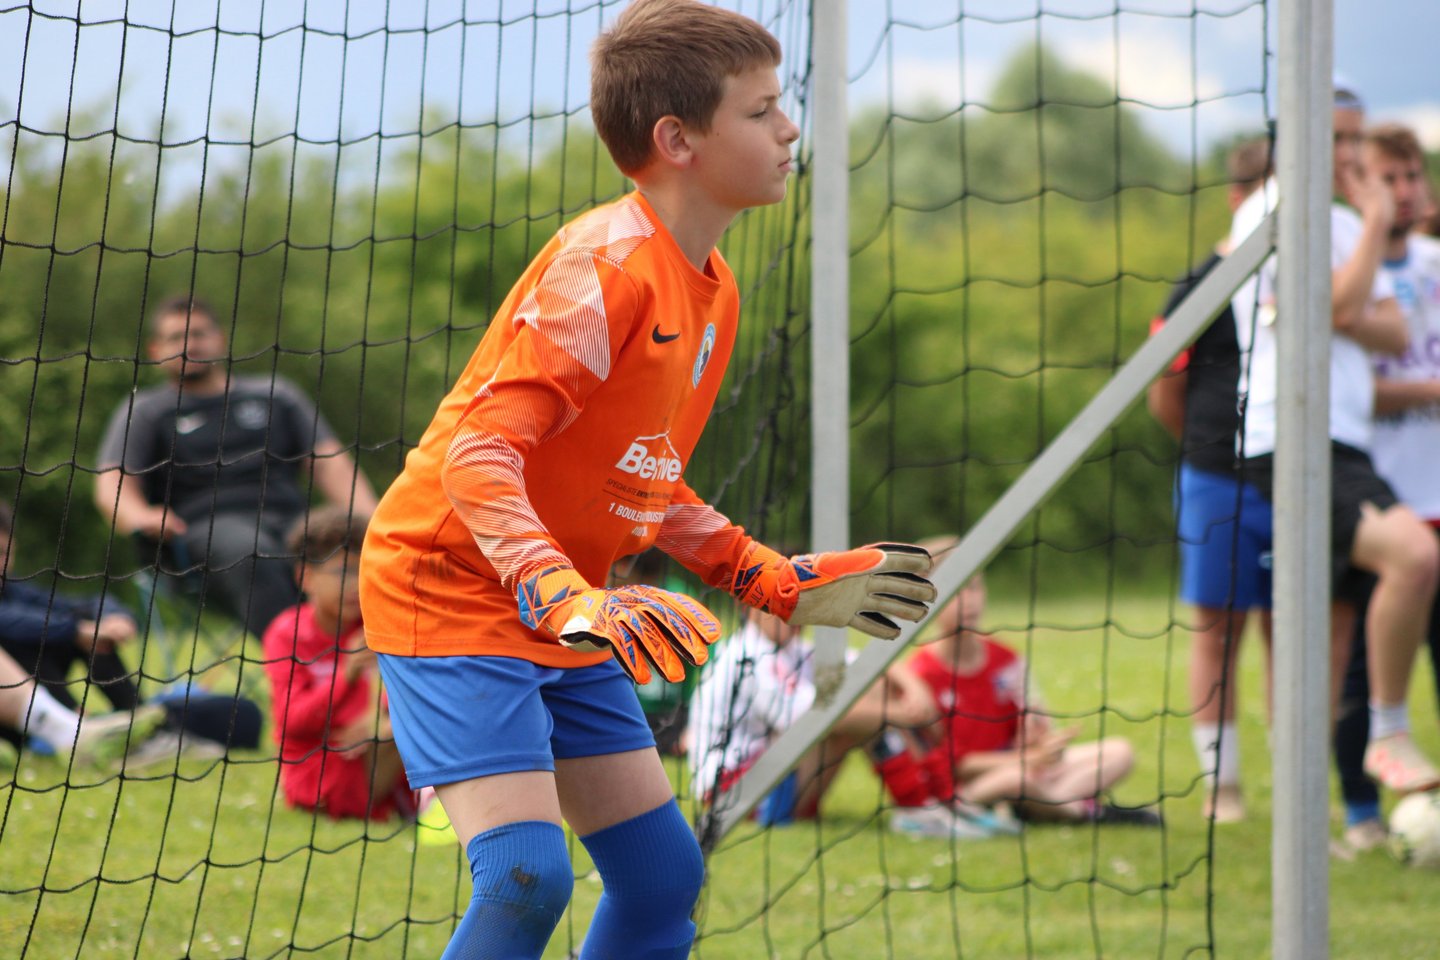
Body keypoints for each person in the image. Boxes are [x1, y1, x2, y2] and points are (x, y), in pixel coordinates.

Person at [357, 3, 936, 956]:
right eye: (761, 111)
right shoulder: (603, 269)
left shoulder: (714, 286)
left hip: (573, 606)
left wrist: (766, 577)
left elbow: (644, 479)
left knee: (664, 877)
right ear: (678, 140)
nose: (790, 129)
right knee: (524, 877)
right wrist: (558, 592)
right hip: (453, 587)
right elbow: (479, 455)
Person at [1229, 84, 1440, 794]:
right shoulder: (1273, 211)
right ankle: (1388, 731)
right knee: (1413, 555)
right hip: (1290, 437)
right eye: (1336, 138)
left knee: (1332, 633)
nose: (1349, 155)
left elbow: (1390, 327)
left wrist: (1348, 289)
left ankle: (1310, 813)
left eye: (1356, 140)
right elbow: (1346, 306)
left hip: (1344, 438)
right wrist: (1375, 225)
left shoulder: (1347, 224)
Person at [93, 295, 378, 638]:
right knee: (254, 554)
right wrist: (140, 516)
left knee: (342, 553)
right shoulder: (146, 411)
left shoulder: (275, 395)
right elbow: (112, 485)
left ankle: (368, 659)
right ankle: (299, 663)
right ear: (156, 351)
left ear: (220, 339)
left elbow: (332, 464)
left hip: (290, 522)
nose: (189, 344)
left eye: (198, 333)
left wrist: (373, 521)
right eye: (175, 337)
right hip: (202, 535)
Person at [1147, 137, 1275, 823]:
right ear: (1237, 199)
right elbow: (1166, 392)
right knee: (1215, 632)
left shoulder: (1307, 279)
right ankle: (1221, 788)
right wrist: (1207, 449)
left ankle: (1295, 788)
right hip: (1216, 480)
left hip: (1294, 482)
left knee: (1292, 631)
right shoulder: (1199, 285)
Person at [1332, 123, 1440, 854]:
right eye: (1387, 178)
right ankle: (1360, 815)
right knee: (1360, 668)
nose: (1403, 192)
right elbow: (1342, 381)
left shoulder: (1434, 261)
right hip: (1373, 489)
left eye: (1412, 176)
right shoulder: (1347, 266)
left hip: (1435, 494)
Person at [884, 558, 1160, 827]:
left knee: (1119, 753)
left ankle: (1042, 807)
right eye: (955, 592)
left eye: (975, 587)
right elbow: (954, 767)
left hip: (1024, 767)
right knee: (1017, 781)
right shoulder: (920, 675)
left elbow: (1035, 729)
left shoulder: (1007, 659)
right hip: (972, 784)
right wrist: (1024, 759)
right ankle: (1083, 812)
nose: (968, 601)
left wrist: (1040, 741)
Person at [687, 606, 967, 838]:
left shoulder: (788, 647)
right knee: (853, 718)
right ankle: (922, 805)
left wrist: (913, 686)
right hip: (736, 795)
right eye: (782, 606)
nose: (796, 616)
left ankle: (930, 802)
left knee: (873, 688)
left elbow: (866, 663)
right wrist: (897, 713)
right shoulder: (749, 656)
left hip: (772, 777)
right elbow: (816, 719)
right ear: (753, 608)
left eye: (801, 604)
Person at [263, 507, 413, 821]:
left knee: (414, 725)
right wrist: (347, 675)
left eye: (364, 572)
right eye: (344, 572)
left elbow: (409, 695)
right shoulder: (286, 633)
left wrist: (382, 723)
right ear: (305, 577)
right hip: (318, 774)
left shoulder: (378, 629)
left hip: (381, 757)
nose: (357, 586)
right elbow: (292, 720)